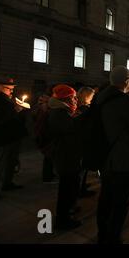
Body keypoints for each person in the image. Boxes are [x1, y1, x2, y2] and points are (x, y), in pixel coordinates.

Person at [96, 65, 129, 244]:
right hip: (122, 159)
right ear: (126, 82)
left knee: (106, 197)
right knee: (121, 201)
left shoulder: (99, 98)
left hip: (105, 156)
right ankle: (114, 237)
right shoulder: (125, 102)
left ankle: (102, 234)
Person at [47, 84, 82, 229]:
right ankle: (63, 218)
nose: (76, 100)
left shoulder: (63, 111)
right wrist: (79, 119)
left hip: (68, 154)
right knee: (66, 187)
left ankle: (70, 208)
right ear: (66, 98)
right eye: (73, 97)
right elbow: (70, 131)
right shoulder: (59, 113)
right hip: (65, 156)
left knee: (71, 185)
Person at [75, 86, 96, 197]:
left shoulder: (79, 108)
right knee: (81, 170)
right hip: (83, 143)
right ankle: (79, 191)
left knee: (83, 169)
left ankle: (81, 187)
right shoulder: (84, 110)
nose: (93, 98)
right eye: (92, 96)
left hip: (81, 143)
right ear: (86, 96)